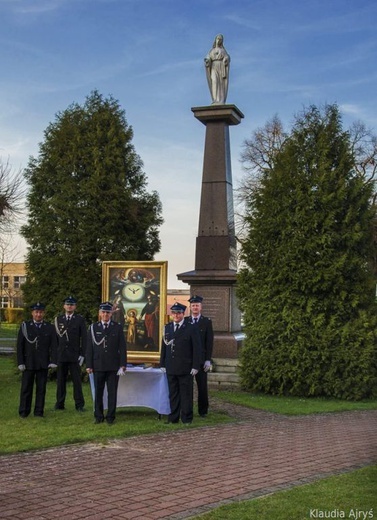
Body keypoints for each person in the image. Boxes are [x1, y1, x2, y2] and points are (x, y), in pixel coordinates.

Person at [160, 302, 202, 425]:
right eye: (174, 313)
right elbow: (164, 347)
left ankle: (186, 418)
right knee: (172, 393)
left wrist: (195, 366)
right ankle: (173, 418)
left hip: (185, 367)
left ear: (183, 314)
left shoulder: (191, 327)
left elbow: (197, 348)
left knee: (186, 394)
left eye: (179, 313)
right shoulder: (167, 327)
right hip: (171, 366)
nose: (176, 315)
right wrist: (162, 363)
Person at [86, 301, 127, 424]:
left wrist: (123, 364)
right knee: (98, 392)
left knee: (112, 393)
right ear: (99, 313)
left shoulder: (117, 327)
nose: (105, 314)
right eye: (103, 312)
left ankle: (110, 417)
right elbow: (89, 348)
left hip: (113, 366)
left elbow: (122, 347)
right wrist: (89, 365)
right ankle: (98, 416)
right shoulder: (93, 327)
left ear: (111, 314)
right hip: (98, 365)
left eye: (107, 312)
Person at [17, 302, 58, 418]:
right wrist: (20, 362)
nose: (38, 314)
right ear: (32, 313)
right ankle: (24, 411)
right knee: (26, 388)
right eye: (36, 312)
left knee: (41, 389)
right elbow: (20, 346)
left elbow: (54, 345)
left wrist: (53, 360)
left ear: (43, 313)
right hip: (28, 362)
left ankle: (39, 412)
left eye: (40, 312)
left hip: (42, 363)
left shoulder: (49, 327)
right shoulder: (25, 326)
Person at [54, 296, 87, 412]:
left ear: (75, 307)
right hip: (62, 355)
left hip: (75, 356)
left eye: (72, 305)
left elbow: (84, 338)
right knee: (61, 381)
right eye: (67, 304)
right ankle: (59, 404)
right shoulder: (58, 319)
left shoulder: (79, 320)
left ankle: (79, 405)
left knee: (77, 382)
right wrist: (54, 355)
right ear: (64, 306)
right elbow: (55, 339)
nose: (69, 306)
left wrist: (82, 354)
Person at [186, 295, 214, 418]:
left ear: (201, 307)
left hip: (202, 360)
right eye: (193, 305)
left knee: (202, 387)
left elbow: (209, 342)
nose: (195, 307)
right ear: (190, 307)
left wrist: (208, 359)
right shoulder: (185, 321)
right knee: (187, 387)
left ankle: (203, 411)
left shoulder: (206, 322)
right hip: (187, 359)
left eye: (197, 305)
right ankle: (187, 409)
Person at [204, 33, 230, 105]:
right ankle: (215, 99)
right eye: (218, 39)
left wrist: (226, 59)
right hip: (213, 67)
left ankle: (220, 100)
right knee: (214, 81)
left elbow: (227, 57)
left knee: (220, 83)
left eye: (220, 39)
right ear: (215, 40)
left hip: (221, 67)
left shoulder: (223, 51)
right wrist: (207, 60)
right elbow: (208, 58)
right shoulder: (211, 51)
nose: (219, 40)